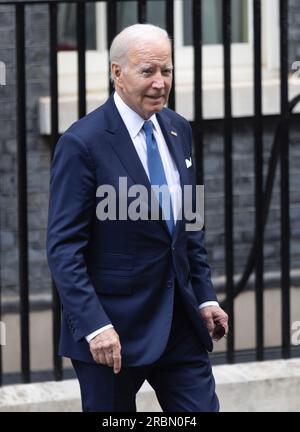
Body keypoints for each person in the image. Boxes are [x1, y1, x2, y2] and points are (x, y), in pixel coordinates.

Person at [46, 23, 228, 412]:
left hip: (179, 323)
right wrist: (95, 327)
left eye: (167, 70)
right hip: (112, 333)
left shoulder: (179, 130)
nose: (160, 83)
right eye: (148, 71)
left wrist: (205, 298)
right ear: (117, 72)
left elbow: (188, 225)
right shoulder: (82, 143)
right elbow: (63, 249)